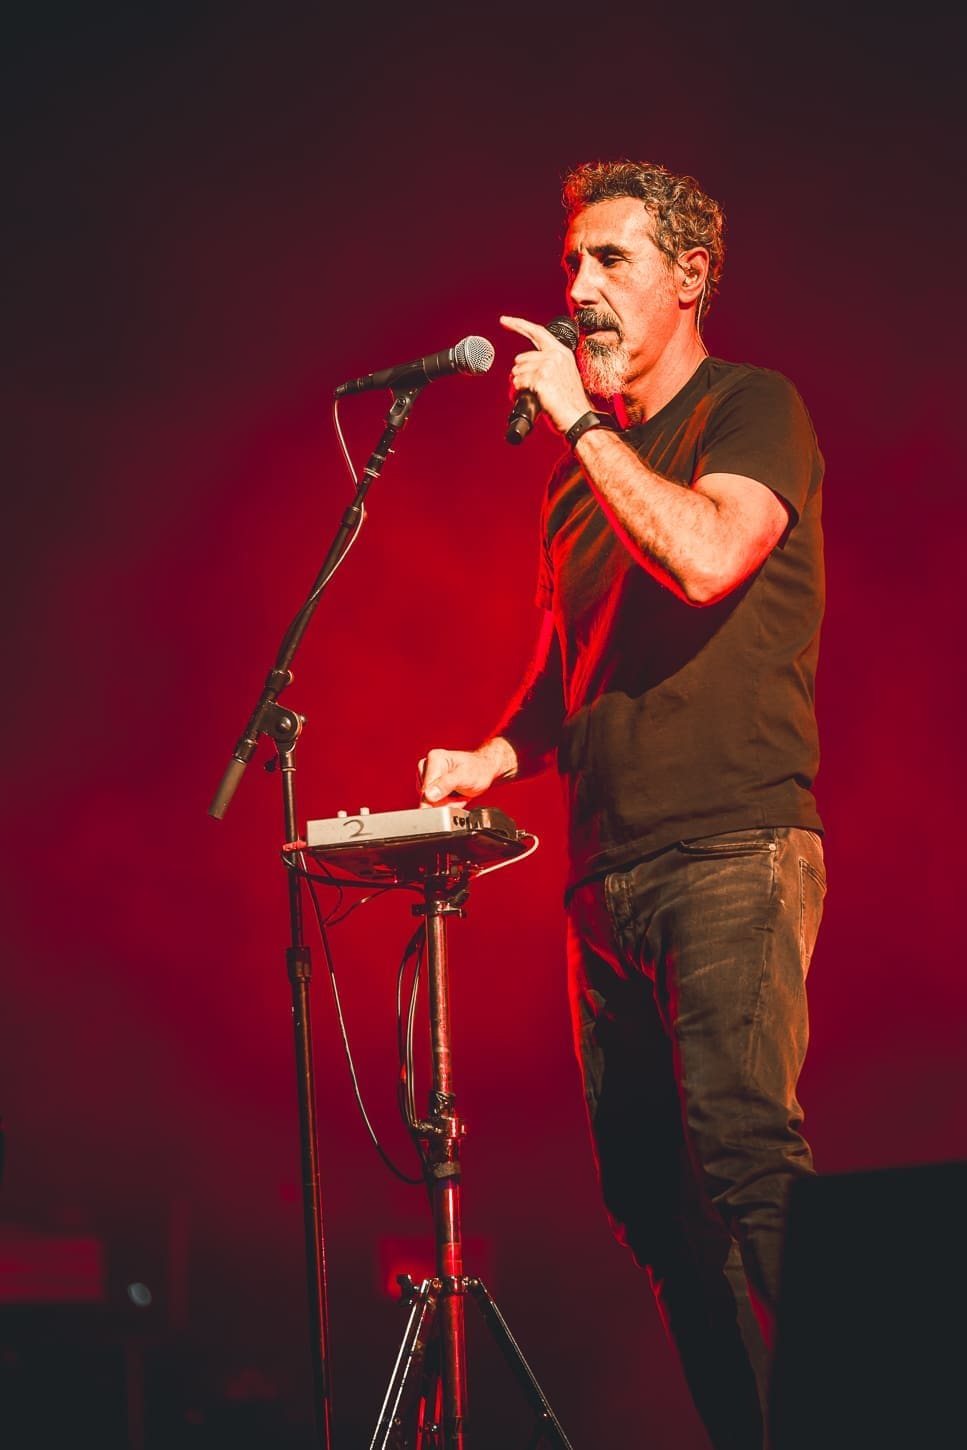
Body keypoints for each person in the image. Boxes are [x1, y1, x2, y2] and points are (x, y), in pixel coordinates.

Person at [418, 158, 826, 1449]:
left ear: (692, 274)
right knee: (654, 1206)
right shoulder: (572, 485)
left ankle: (859, 1414)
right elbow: (571, 662)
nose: (579, 290)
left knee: (746, 1173)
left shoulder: (752, 408)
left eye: (612, 262)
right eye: (572, 267)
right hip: (607, 873)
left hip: (730, 842)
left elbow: (708, 556)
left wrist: (585, 431)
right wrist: (493, 750)